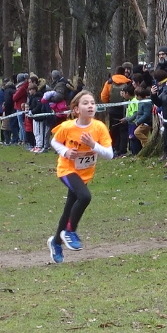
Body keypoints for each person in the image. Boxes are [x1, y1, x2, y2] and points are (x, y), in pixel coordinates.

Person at [49, 91, 115, 263]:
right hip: (67, 170)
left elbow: (109, 155)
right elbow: (54, 142)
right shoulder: (68, 127)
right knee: (85, 196)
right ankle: (70, 232)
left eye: (92, 103)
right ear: (76, 109)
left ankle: (56, 242)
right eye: (85, 103)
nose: (90, 106)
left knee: (69, 209)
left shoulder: (99, 127)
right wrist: (65, 151)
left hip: (85, 174)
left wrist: (93, 145)